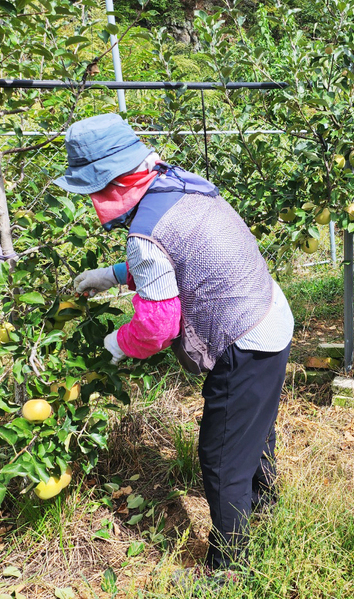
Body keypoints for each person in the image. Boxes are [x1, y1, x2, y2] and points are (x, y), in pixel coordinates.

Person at [53, 114, 294, 583]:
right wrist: (114, 275)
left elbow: (157, 326)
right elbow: (183, 253)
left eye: (93, 192)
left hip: (244, 336)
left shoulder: (145, 234)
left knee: (221, 457)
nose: (93, 203)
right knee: (254, 425)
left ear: (112, 183)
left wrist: (115, 345)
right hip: (269, 312)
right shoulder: (183, 184)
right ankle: (264, 508)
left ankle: (229, 572)